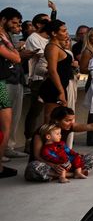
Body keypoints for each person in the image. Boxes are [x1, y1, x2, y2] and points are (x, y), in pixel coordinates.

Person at [0, 7, 29, 172]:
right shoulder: (2, 38)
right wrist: (11, 44)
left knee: (8, 122)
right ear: (3, 19)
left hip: (7, 81)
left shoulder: (5, 36)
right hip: (2, 83)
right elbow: (16, 57)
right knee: (4, 124)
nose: (17, 26)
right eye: (14, 22)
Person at [22, 11, 52, 146]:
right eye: (47, 22)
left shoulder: (51, 38)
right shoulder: (33, 38)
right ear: (39, 24)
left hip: (52, 78)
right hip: (39, 79)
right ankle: (30, 140)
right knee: (36, 111)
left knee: (51, 110)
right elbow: (44, 56)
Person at [39, 19, 74, 123]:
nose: (66, 33)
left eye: (66, 30)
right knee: (51, 119)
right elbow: (52, 70)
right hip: (54, 88)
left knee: (58, 119)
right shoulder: (52, 48)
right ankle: (44, 139)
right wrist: (61, 91)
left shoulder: (57, 46)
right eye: (63, 31)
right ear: (54, 33)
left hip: (60, 86)